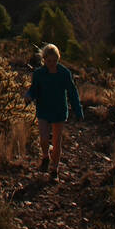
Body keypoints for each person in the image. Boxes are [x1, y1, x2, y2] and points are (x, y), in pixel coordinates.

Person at [25, 42, 84, 181]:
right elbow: (34, 89)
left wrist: (78, 110)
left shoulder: (64, 73)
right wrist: (29, 96)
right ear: (44, 60)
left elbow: (72, 92)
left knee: (57, 141)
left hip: (59, 110)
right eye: (49, 61)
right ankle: (46, 156)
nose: (51, 63)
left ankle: (54, 169)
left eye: (54, 61)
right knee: (44, 139)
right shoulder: (39, 74)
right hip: (43, 109)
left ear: (58, 59)